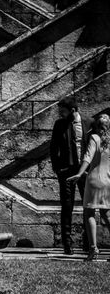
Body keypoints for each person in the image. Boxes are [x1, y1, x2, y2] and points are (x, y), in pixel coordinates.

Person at [50, 96, 93, 255]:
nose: (60, 114)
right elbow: (53, 147)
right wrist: (57, 168)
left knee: (88, 207)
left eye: (63, 111)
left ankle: (88, 243)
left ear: (73, 110)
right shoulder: (59, 124)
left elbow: (94, 146)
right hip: (66, 171)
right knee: (66, 207)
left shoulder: (89, 123)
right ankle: (67, 245)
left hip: (85, 171)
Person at [67, 114, 110, 261]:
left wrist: (79, 173)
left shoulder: (95, 139)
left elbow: (87, 157)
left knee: (89, 213)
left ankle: (93, 249)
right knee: (106, 214)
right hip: (108, 181)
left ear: (96, 126)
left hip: (94, 181)